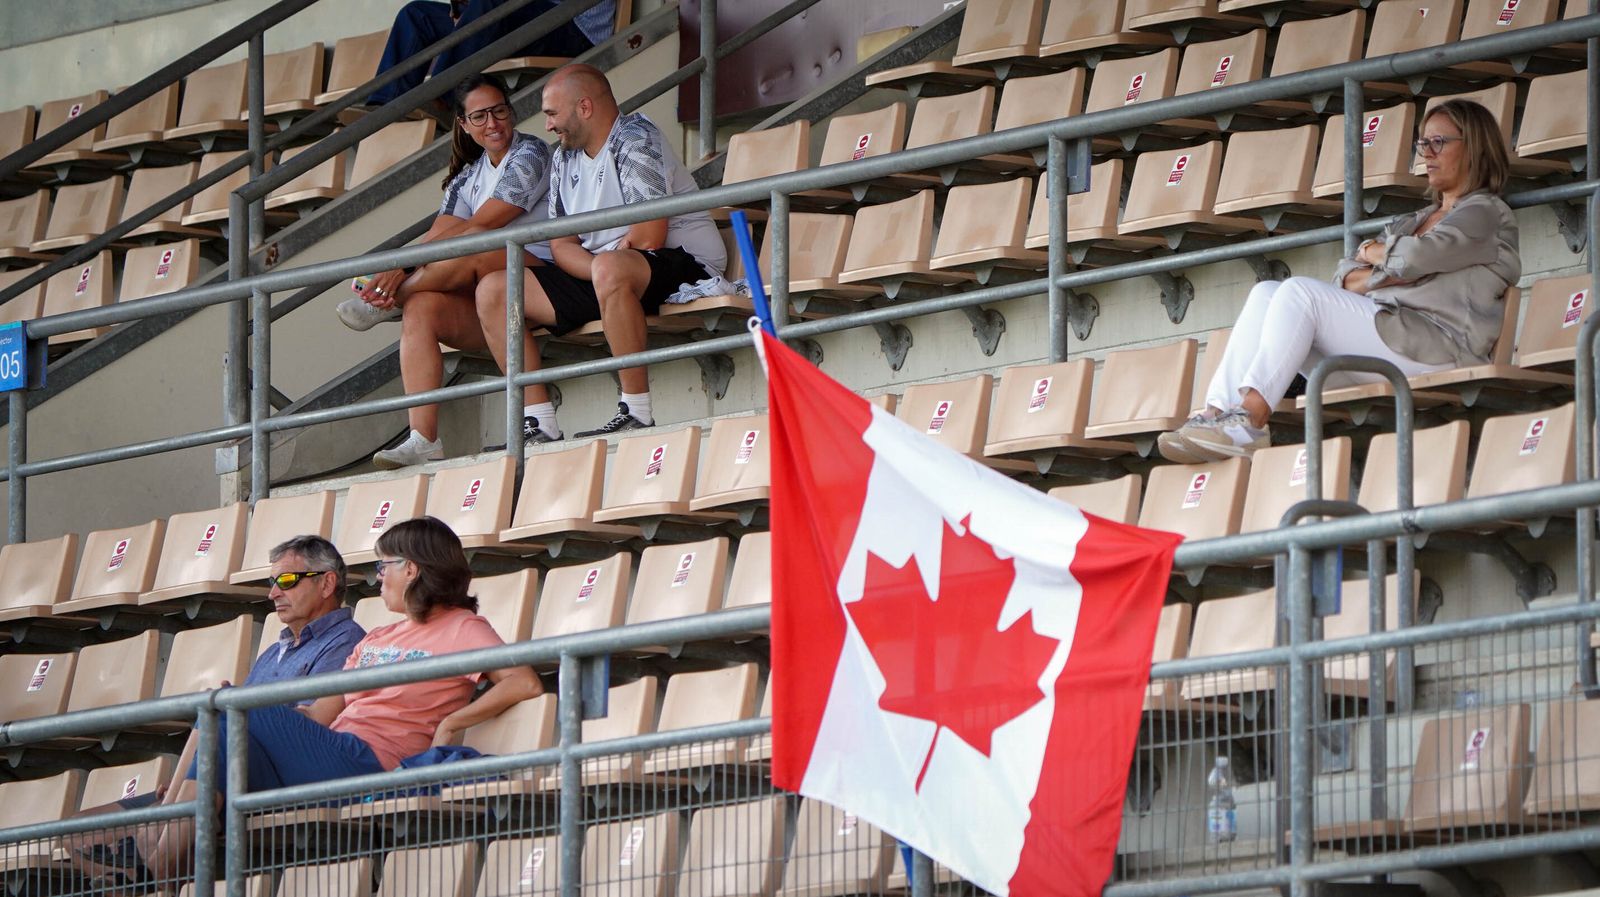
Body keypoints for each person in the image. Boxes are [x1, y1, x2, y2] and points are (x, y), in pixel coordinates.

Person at [129, 517, 543, 879]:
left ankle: (157, 869)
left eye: (385, 566)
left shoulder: (462, 627)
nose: (378, 577)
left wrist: (454, 723)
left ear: (412, 569)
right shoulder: (380, 635)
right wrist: (270, 724)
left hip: (371, 763)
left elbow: (524, 682)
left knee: (232, 708)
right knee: (223, 723)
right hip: (332, 754)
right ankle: (166, 872)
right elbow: (319, 715)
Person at [1157, 98, 1519, 463]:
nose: (1426, 152)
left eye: (1438, 142)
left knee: (1300, 292)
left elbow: (1414, 258)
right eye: (1423, 143)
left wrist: (1383, 258)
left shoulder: (1485, 212)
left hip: (1437, 350)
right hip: (1386, 341)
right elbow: (1345, 275)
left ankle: (1249, 421)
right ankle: (1218, 414)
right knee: (1267, 292)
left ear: (1474, 146)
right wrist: (1394, 270)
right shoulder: (1412, 221)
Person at [67, 535, 366, 883]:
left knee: (221, 706)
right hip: (221, 770)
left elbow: (304, 730)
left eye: (286, 581)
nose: (273, 593)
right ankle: (139, 881)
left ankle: (150, 876)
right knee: (75, 832)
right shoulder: (276, 650)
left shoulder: (347, 642)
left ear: (327, 582)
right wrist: (188, 774)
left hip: (265, 778)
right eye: (272, 583)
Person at [474, 63, 727, 443]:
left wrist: (603, 265)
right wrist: (598, 268)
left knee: (610, 268)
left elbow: (649, 236)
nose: (548, 126)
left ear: (585, 107)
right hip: (609, 271)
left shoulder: (635, 136)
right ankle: (538, 420)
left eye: (552, 114)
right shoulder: (562, 157)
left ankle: (637, 411)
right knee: (496, 290)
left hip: (683, 261)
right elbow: (561, 245)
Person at [337, 73, 556, 469]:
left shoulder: (531, 154)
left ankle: (387, 301)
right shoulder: (466, 177)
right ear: (463, 125)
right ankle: (424, 438)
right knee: (422, 307)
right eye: (480, 116)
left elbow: (483, 227)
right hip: (493, 296)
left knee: (477, 246)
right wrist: (401, 268)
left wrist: (398, 272)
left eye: (500, 111)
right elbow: (439, 236)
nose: (493, 124)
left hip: (546, 279)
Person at [366, 0, 617, 107]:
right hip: (525, 15)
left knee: (489, 3)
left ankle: (444, 96)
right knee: (417, 15)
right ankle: (384, 104)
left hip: (574, 27)